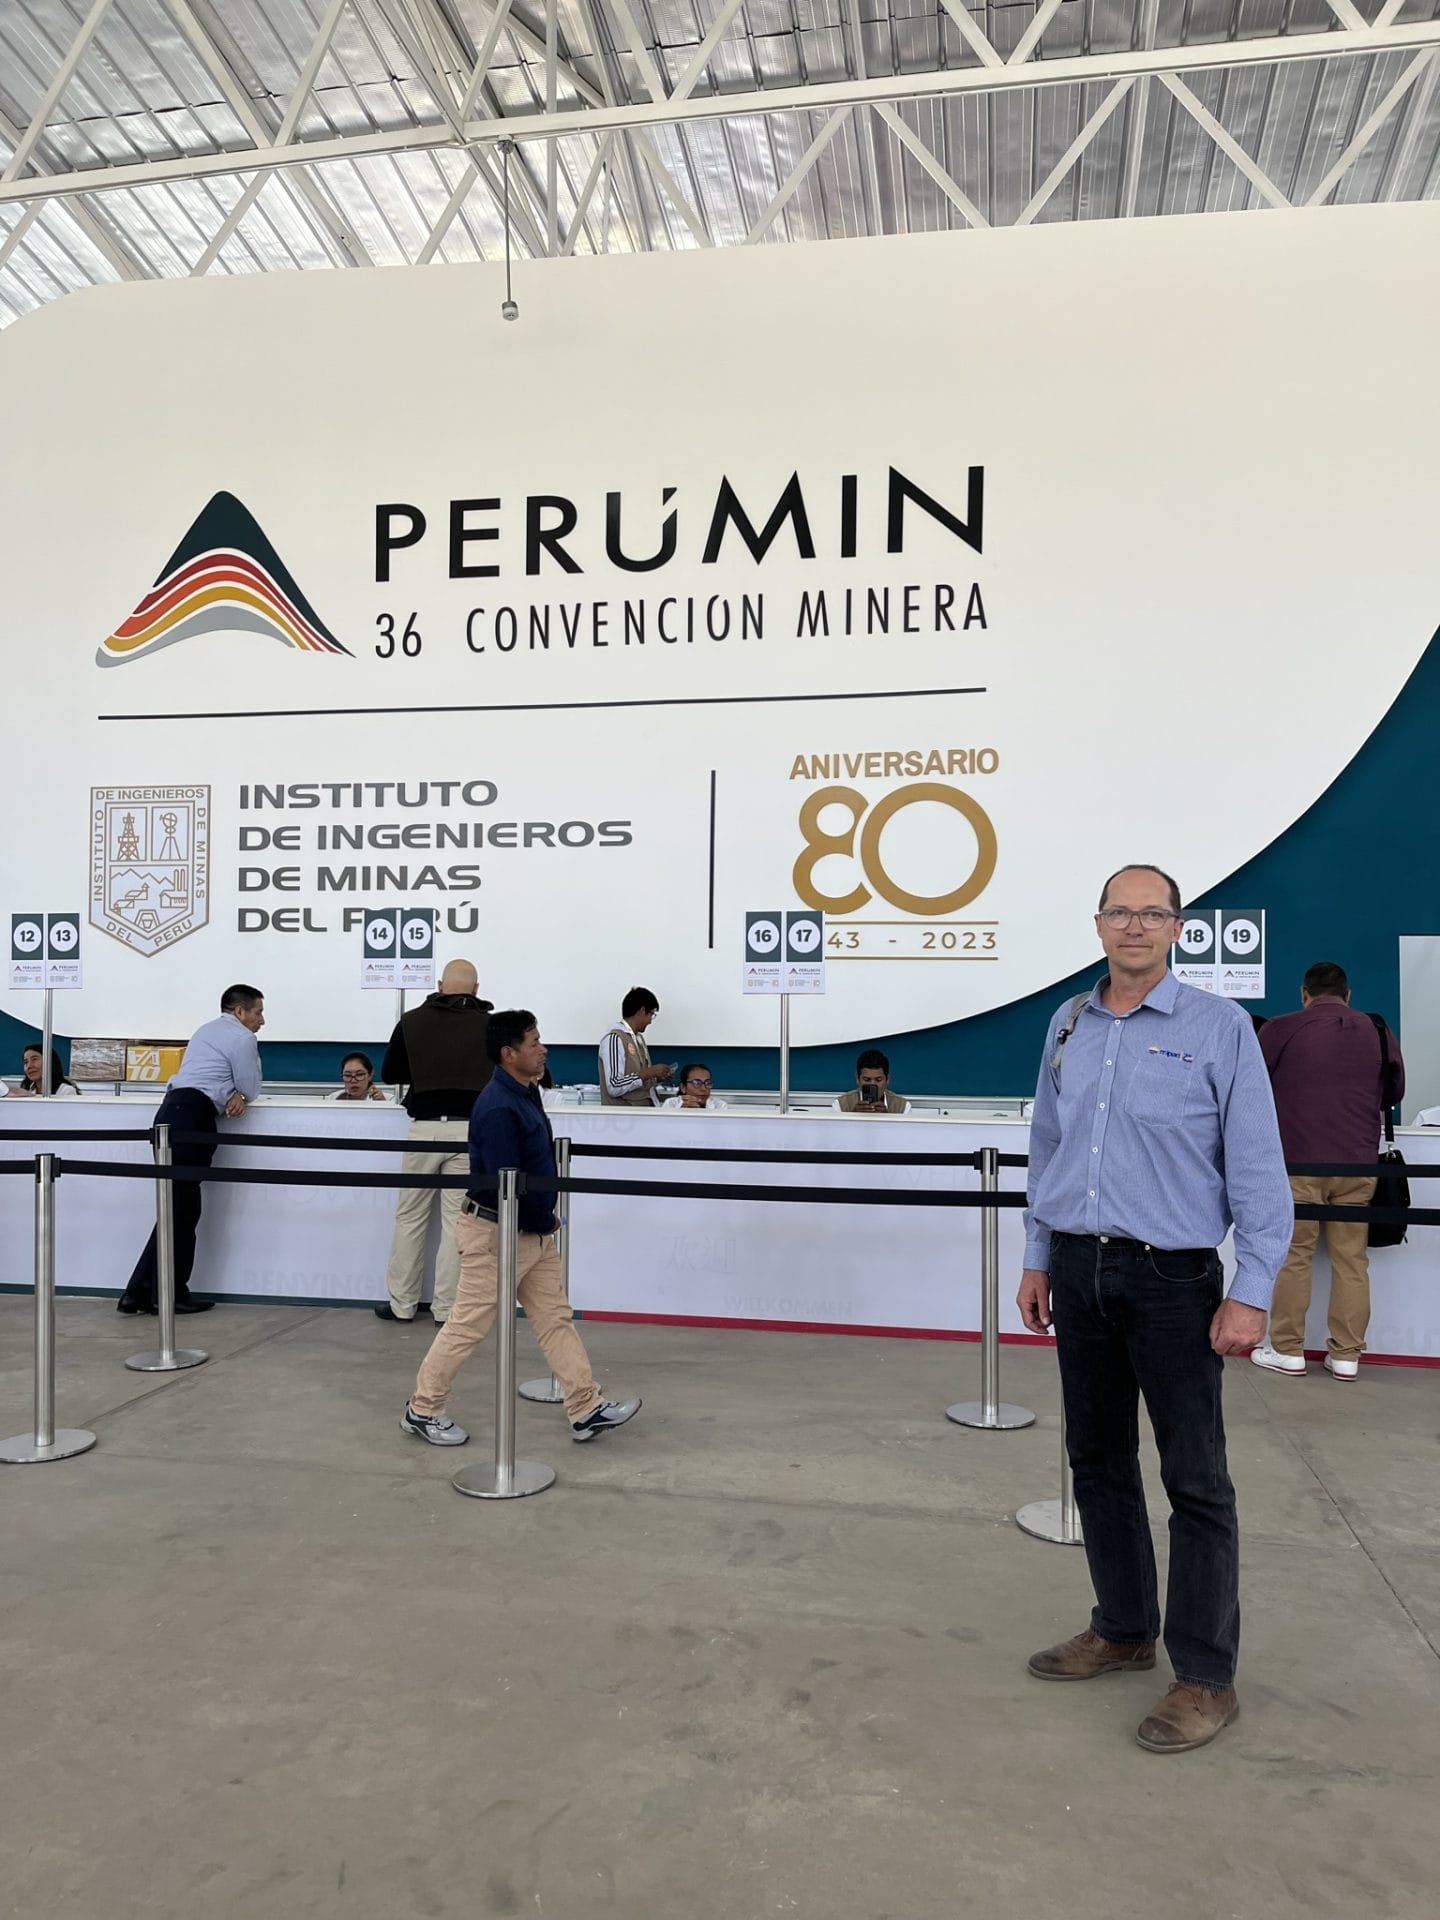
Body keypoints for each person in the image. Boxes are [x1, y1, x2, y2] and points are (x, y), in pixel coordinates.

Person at [1017, 865, 1292, 1754]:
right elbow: (1046, 1146)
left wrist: (1253, 1288)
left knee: (1195, 1480)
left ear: (1178, 927)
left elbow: (1256, 1166)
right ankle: (1125, 1627)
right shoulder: (1066, 1022)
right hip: (1078, 1269)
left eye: (1153, 913)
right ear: (1097, 923)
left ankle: (1206, 1676)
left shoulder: (1220, 1029)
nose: (1135, 926)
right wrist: (1036, 1257)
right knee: (1096, 1460)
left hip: (1173, 1281)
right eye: (1120, 911)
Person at [400, 1009, 641, 1447]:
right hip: (497, 1234)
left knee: (555, 1319)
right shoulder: (496, 1107)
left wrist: (541, 1225)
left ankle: (585, 1407)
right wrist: (544, 1219)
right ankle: (423, 1408)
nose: (542, 1048)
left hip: (531, 1234)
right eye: (533, 1043)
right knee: (467, 1325)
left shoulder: (526, 1092)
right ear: (509, 1053)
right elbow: (505, 1182)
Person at [1251, 962, 1405, 1382]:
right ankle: (1346, 1356)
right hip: (1358, 1163)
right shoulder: (1376, 1030)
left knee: (1294, 1258)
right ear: (1348, 994)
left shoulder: (1279, 1029)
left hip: (1296, 1162)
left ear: (1304, 993)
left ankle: (1287, 1351)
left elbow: (1251, 1086)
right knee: (1352, 1262)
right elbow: (1396, 1091)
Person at [116, 984, 265, 1316]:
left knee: (175, 1210)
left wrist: (228, 1090)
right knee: (183, 1212)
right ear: (239, 1012)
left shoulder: (205, 1030)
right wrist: (235, 1091)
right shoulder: (242, 1038)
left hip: (169, 1114)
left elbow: (205, 1076)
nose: (262, 1020)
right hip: (193, 1120)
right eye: (257, 1012)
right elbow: (252, 1087)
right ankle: (169, 1294)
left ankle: (138, 1292)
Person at [376, 960, 493, 1327]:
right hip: (467, 1130)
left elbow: (391, 1072)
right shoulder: (490, 1026)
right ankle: (447, 1309)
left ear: (440, 985)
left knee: (410, 1217)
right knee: (457, 1223)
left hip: (424, 1128)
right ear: (475, 990)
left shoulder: (411, 1021)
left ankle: (402, 1305)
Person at [598, 987, 674, 1106]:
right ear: (642, 1011)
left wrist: (656, 1077)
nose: (650, 1021)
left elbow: (639, 1081)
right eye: (651, 1014)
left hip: (642, 1113)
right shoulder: (614, 1039)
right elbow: (614, 1086)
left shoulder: (638, 1039)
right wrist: (649, 1072)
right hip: (623, 1118)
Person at [832, 1049, 911, 1115]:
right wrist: (853, 1116)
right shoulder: (840, 1105)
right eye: (866, 1079)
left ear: (887, 1079)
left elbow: (907, 1133)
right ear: (857, 1078)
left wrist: (888, 1118)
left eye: (878, 1080)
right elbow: (834, 1133)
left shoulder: (903, 1107)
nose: (872, 1084)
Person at [3, 1046, 80, 1096]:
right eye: (26, 1062)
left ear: (50, 1061)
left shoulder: (66, 1091)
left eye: (34, 1059)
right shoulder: (27, 1089)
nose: (29, 1066)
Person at [662, 1063, 727, 1112]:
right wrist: (682, 1112)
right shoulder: (671, 1104)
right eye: (697, 1083)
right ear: (683, 1087)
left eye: (707, 1083)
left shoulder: (720, 1106)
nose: (703, 1089)